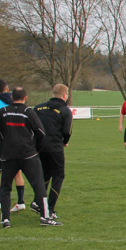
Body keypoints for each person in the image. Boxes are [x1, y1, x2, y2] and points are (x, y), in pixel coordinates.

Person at [0, 86, 61, 227]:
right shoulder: (28, 112)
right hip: (28, 154)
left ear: (12, 97)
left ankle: (5, 219)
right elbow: (41, 132)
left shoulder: (3, 111)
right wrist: (36, 147)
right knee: (38, 185)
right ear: (25, 97)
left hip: (8, 155)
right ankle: (45, 217)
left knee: (6, 187)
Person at [0, 79, 27, 213]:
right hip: (18, 142)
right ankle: (20, 202)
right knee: (17, 171)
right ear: (7, 89)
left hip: (1, 142)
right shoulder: (17, 101)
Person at [33, 84, 72, 218]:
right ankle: (49, 208)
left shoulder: (38, 108)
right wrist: (65, 141)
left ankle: (37, 202)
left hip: (39, 146)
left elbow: (32, 126)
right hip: (55, 147)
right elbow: (67, 131)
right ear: (64, 95)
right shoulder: (65, 111)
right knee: (58, 176)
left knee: (45, 174)